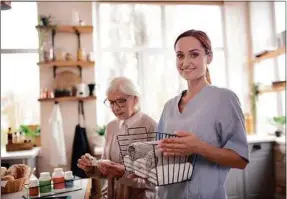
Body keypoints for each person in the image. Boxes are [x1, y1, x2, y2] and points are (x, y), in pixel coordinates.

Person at [156, 30, 249, 199]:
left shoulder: (224, 99)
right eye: (180, 56)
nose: (185, 62)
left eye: (194, 54)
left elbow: (240, 160)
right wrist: (131, 170)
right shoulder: (169, 106)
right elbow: (158, 152)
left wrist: (198, 147)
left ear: (209, 57)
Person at [77, 76, 157, 199]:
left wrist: (121, 172)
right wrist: (92, 167)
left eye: (121, 101)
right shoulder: (111, 127)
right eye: (111, 102)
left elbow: (153, 178)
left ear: (135, 99)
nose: (115, 108)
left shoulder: (151, 127)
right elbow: (105, 170)